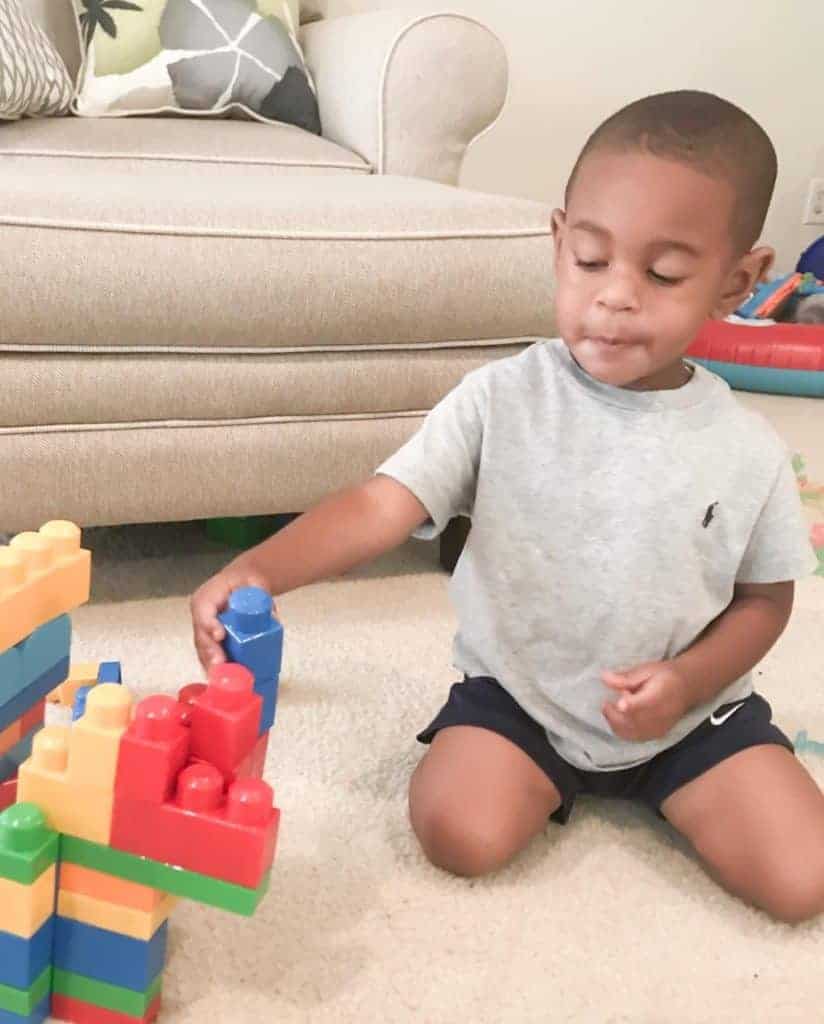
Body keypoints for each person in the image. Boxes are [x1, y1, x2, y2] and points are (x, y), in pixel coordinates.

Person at [191, 90, 824, 923]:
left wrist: (686, 681)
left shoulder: (745, 447)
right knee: (459, 834)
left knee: (803, 881)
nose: (616, 297)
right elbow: (381, 504)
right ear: (559, 243)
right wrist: (259, 569)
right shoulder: (500, 398)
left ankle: (674, 775)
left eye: (663, 274)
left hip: (695, 717)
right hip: (521, 700)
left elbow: (765, 601)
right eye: (591, 262)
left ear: (737, 281)